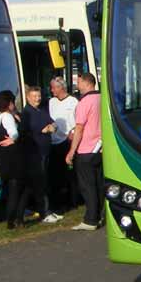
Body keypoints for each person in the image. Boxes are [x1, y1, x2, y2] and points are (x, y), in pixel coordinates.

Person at [66, 73, 102, 231]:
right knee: (99, 184)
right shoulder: (102, 98)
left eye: (78, 82)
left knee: (87, 186)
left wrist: (72, 151)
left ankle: (90, 219)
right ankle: (99, 215)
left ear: (86, 83)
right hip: (100, 147)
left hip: (86, 148)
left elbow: (79, 128)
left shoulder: (84, 102)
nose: (77, 85)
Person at [21, 86, 63, 224]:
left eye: (39, 96)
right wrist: (42, 130)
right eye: (34, 96)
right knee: (40, 183)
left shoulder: (42, 110)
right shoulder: (27, 113)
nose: (37, 99)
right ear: (28, 97)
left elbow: (53, 123)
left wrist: (53, 127)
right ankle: (44, 212)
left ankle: (48, 210)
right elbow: (26, 132)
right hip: (36, 153)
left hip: (46, 151)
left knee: (45, 182)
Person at [0, 91, 25, 229]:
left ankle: (10, 216)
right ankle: (13, 219)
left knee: (8, 187)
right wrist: (13, 139)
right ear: (9, 103)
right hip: (11, 156)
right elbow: (14, 133)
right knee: (16, 187)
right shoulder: (7, 117)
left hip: (0, 155)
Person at [48, 76, 80, 210]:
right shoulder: (51, 102)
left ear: (61, 87)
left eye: (54, 87)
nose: (52, 90)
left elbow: (78, 120)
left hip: (67, 140)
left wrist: (72, 133)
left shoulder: (73, 101)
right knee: (56, 173)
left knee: (70, 173)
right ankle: (59, 200)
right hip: (53, 141)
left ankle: (73, 200)